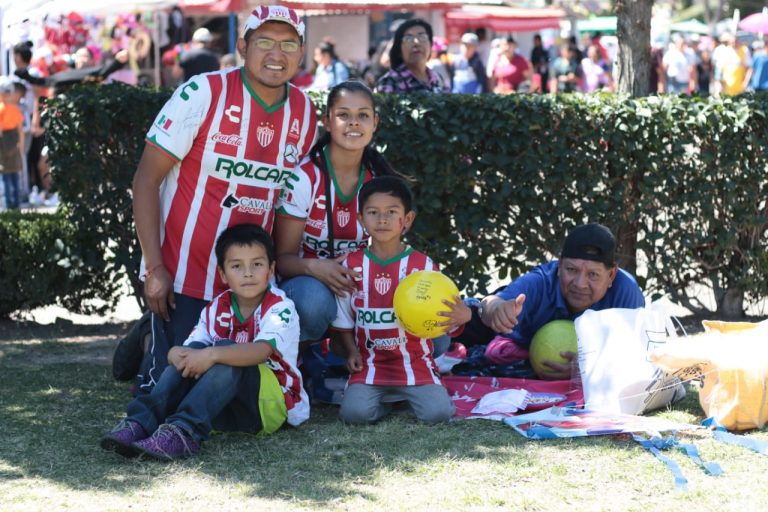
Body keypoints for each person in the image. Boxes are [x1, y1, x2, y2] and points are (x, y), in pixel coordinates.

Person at [128, 5, 317, 395]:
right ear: (243, 45)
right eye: (264, 42)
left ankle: (150, 336)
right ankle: (149, 338)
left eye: (288, 44)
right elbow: (146, 180)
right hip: (184, 276)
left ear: (302, 53)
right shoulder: (203, 92)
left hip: (249, 287)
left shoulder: (304, 110)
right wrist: (155, 269)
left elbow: (286, 200)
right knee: (170, 390)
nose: (276, 54)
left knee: (238, 387)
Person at [101, 224, 309, 461]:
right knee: (198, 352)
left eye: (257, 264)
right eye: (237, 266)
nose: (248, 273)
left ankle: (184, 431)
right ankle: (140, 421)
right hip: (223, 408)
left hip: (268, 407)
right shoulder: (217, 307)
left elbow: (261, 351)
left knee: (225, 351)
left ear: (271, 269)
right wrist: (175, 354)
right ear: (222, 274)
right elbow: (193, 349)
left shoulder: (280, 307)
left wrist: (211, 355)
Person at [332, 176, 471, 424]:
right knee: (354, 415)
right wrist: (351, 351)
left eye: (391, 212)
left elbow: (445, 316)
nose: (382, 219)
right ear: (361, 219)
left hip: (415, 365)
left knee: (437, 415)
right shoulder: (351, 265)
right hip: (370, 366)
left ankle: (412, 395)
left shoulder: (424, 267)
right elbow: (343, 316)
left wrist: (464, 317)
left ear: (407, 219)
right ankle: (389, 404)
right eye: (373, 212)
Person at [274, 81, 402, 346]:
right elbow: (281, 260)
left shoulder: (380, 180)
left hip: (356, 285)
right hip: (307, 283)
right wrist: (316, 267)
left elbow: (389, 254)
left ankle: (356, 356)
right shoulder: (304, 178)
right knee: (312, 304)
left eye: (363, 115)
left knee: (436, 339)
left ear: (375, 123)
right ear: (328, 122)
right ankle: (305, 357)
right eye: (344, 115)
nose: (354, 123)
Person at [454, 223, 645, 380]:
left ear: (611, 274)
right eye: (571, 270)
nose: (580, 284)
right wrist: (496, 309)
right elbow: (490, 303)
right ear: (559, 265)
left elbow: (635, 353)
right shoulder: (540, 282)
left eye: (593, 274)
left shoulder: (626, 293)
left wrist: (593, 367)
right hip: (511, 340)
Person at [375, 18, 446, 93]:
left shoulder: (438, 79)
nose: (416, 42)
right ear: (399, 50)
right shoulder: (389, 81)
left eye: (422, 37)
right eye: (408, 38)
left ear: (430, 45)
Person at [0, 80, 25, 210]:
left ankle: (9, 204)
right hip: (14, 141)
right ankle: (15, 204)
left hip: (5, 141)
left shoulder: (2, 108)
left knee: (5, 175)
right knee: (14, 174)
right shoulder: (15, 108)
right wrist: (20, 144)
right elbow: (20, 129)